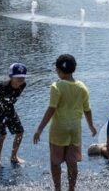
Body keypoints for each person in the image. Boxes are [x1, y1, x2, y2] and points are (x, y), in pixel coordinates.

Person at [33, 54, 97, 191]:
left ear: (58, 70)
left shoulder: (56, 86)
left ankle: (58, 188)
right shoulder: (82, 87)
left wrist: (39, 128)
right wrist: (91, 126)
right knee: (72, 162)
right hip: (75, 130)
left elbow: (51, 109)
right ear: (74, 69)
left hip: (58, 130)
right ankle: (71, 188)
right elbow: (87, 110)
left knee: (55, 162)